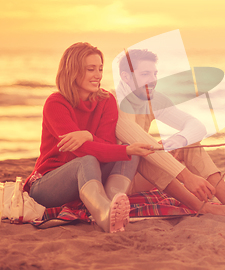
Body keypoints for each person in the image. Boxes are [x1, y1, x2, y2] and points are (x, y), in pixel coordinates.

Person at [25, 43, 153, 233]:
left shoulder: (106, 100)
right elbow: (81, 150)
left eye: (100, 69)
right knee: (89, 159)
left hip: (88, 178)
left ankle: (112, 204)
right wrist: (120, 148)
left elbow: (107, 146)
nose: (98, 75)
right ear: (73, 71)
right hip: (47, 185)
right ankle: (104, 214)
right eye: (90, 69)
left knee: (130, 153)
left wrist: (89, 136)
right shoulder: (56, 103)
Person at [115, 49, 225, 215]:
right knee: (143, 153)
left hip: (140, 178)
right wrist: (187, 177)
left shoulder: (153, 98)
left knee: (188, 143)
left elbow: (196, 125)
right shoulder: (116, 102)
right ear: (126, 77)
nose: (153, 80)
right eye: (145, 74)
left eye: (154, 74)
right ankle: (203, 207)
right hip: (118, 180)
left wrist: (179, 140)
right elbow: (138, 144)